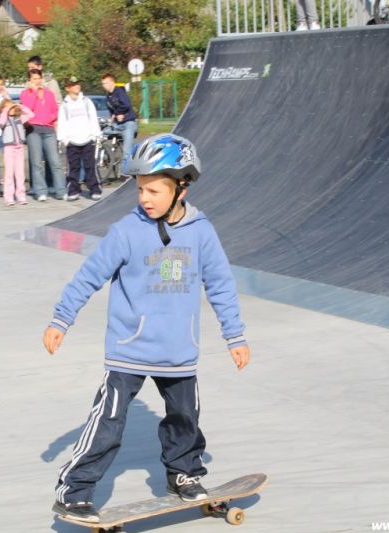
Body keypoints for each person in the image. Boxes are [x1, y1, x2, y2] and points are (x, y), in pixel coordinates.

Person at [43, 134, 251, 523]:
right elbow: (89, 276)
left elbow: (221, 284)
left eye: (154, 189)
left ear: (181, 186)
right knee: (107, 425)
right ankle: (74, 491)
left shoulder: (202, 232)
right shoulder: (126, 231)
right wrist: (61, 319)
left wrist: (234, 336)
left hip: (178, 349)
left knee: (184, 420)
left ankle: (184, 474)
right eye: (140, 189)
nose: (144, 198)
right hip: (129, 349)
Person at [20, 69, 66, 201]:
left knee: (55, 161)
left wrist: (50, 119)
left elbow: (55, 110)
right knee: (36, 162)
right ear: (29, 81)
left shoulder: (49, 93)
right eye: (34, 79)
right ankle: (40, 191)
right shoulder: (25, 94)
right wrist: (34, 93)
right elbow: (28, 110)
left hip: (48, 129)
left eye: (38, 78)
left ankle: (61, 190)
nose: (37, 81)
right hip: (33, 130)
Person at [57, 76, 102, 202]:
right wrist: (64, 139)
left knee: (90, 166)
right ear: (67, 88)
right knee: (73, 167)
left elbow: (93, 118)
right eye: (73, 85)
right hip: (72, 141)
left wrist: (95, 135)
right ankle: (73, 190)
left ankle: (95, 189)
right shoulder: (65, 105)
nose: (76, 86)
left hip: (87, 139)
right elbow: (62, 122)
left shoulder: (86, 102)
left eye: (77, 84)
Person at [0, 99, 33, 206]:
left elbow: (31, 114)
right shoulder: (3, 120)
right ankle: (8, 197)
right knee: (9, 173)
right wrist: (6, 110)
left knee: (20, 173)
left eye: (11, 107)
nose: (10, 109)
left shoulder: (20, 118)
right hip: (9, 149)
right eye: (7, 107)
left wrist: (20, 106)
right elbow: (1, 122)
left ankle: (21, 196)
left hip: (20, 148)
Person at [101, 74, 138, 176]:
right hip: (117, 124)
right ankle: (105, 156)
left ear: (112, 82)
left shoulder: (120, 92)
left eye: (105, 83)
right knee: (102, 133)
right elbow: (112, 109)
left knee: (127, 150)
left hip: (128, 123)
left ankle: (125, 173)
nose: (104, 86)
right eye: (102, 84)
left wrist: (119, 113)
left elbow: (126, 105)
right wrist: (113, 116)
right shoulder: (108, 96)